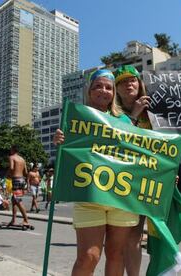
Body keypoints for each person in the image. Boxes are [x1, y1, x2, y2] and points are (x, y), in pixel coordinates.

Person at [53, 69, 138, 276]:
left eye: (108, 87)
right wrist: (59, 143)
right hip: (89, 197)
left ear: (113, 94)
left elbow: (139, 156)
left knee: (116, 254)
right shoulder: (75, 118)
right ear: (89, 91)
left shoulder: (125, 122)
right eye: (98, 86)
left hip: (120, 198)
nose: (103, 90)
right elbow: (68, 157)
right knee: (89, 257)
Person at [113, 65, 151, 276]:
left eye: (133, 80)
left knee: (136, 237)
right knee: (124, 239)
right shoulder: (112, 114)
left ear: (140, 83)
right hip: (122, 182)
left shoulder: (154, 109)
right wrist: (134, 116)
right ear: (116, 89)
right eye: (123, 81)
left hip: (150, 181)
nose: (129, 84)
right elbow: (117, 144)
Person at [8, 145, 30, 226]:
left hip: (16, 179)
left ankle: (26, 220)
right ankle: (13, 220)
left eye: (10, 149)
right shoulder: (22, 159)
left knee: (18, 201)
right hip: (22, 179)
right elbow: (26, 172)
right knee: (14, 201)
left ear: (13, 150)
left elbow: (11, 167)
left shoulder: (12, 157)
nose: (10, 151)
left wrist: (8, 174)